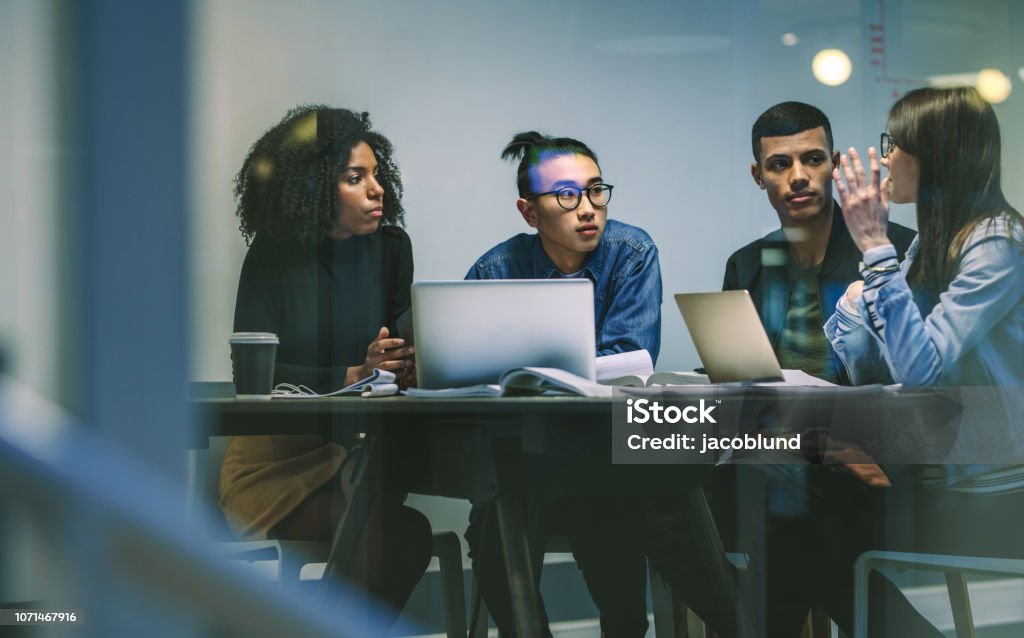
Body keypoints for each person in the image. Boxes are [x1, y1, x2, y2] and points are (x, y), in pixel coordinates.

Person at [464, 132, 741, 638]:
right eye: (566, 196)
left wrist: (533, 373)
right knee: (493, 527)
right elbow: (469, 373)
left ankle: (709, 620)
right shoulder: (495, 270)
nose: (588, 208)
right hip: (528, 457)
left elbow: (629, 358)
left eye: (596, 191)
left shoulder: (630, 251)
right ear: (529, 213)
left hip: (609, 448)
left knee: (630, 496)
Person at [219, 106, 432, 622]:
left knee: (397, 529)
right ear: (315, 189)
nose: (377, 189)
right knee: (391, 535)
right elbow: (255, 375)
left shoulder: (392, 248)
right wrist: (350, 375)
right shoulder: (272, 254)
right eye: (355, 178)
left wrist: (399, 361)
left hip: (361, 449)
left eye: (377, 175)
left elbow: (401, 347)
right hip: (277, 463)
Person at [828, 85, 1024, 635]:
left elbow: (917, 371)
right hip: (940, 467)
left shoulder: (998, 244)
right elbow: (877, 373)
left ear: (935, 156)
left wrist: (872, 245)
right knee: (797, 513)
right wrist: (858, 302)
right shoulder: (933, 242)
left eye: (897, 144)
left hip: (997, 491)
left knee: (812, 532)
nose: (886, 157)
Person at [717, 102, 919, 636]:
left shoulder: (890, 249)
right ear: (758, 176)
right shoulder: (747, 264)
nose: (798, 176)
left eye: (811, 159)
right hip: (787, 462)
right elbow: (741, 387)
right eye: (780, 164)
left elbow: (921, 378)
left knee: (788, 521)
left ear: (833, 163)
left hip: (877, 462)